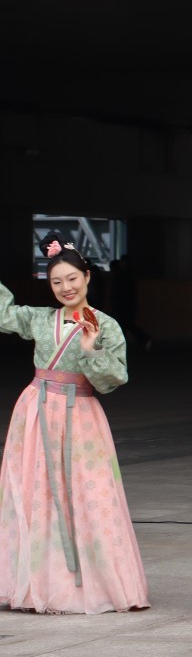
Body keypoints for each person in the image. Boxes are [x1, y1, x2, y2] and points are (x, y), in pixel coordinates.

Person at [0, 233, 147, 613]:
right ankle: (37, 584)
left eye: (72, 279)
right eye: (56, 282)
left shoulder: (106, 326)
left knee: (89, 496)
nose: (66, 287)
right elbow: (4, 313)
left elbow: (114, 378)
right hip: (36, 411)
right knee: (35, 494)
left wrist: (90, 351)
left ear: (87, 277)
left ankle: (89, 584)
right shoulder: (40, 319)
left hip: (80, 415)